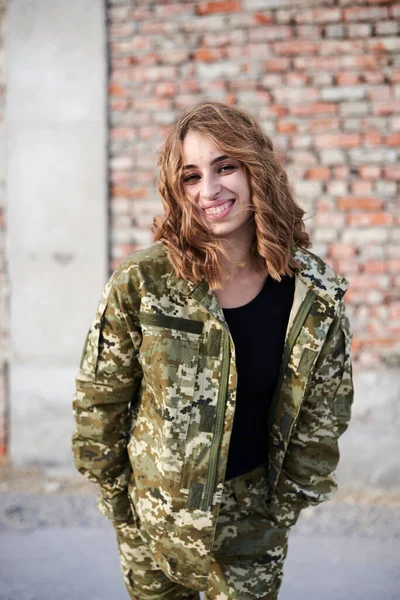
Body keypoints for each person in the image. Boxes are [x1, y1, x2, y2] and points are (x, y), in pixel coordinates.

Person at [72, 101, 353, 600]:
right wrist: (123, 504)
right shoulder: (143, 282)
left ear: (256, 171)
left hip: (252, 523)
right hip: (153, 520)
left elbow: (322, 414)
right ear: (176, 189)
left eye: (225, 167)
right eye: (191, 176)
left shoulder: (312, 293)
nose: (210, 190)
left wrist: (281, 508)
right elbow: (100, 403)